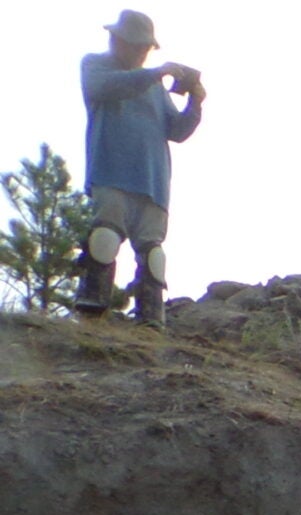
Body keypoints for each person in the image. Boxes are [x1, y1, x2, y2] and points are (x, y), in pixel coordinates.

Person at [77, 11, 204, 328]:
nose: (140, 52)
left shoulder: (155, 87)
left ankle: (150, 321)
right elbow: (103, 88)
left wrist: (195, 104)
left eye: (144, 47)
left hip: (153, 181)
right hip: (111, 171)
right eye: (136, 45)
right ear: (116, 40)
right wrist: (155, 74)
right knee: (104, 236)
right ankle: (92, 313)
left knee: (153, 253)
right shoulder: (96, 65)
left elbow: (176, 130)